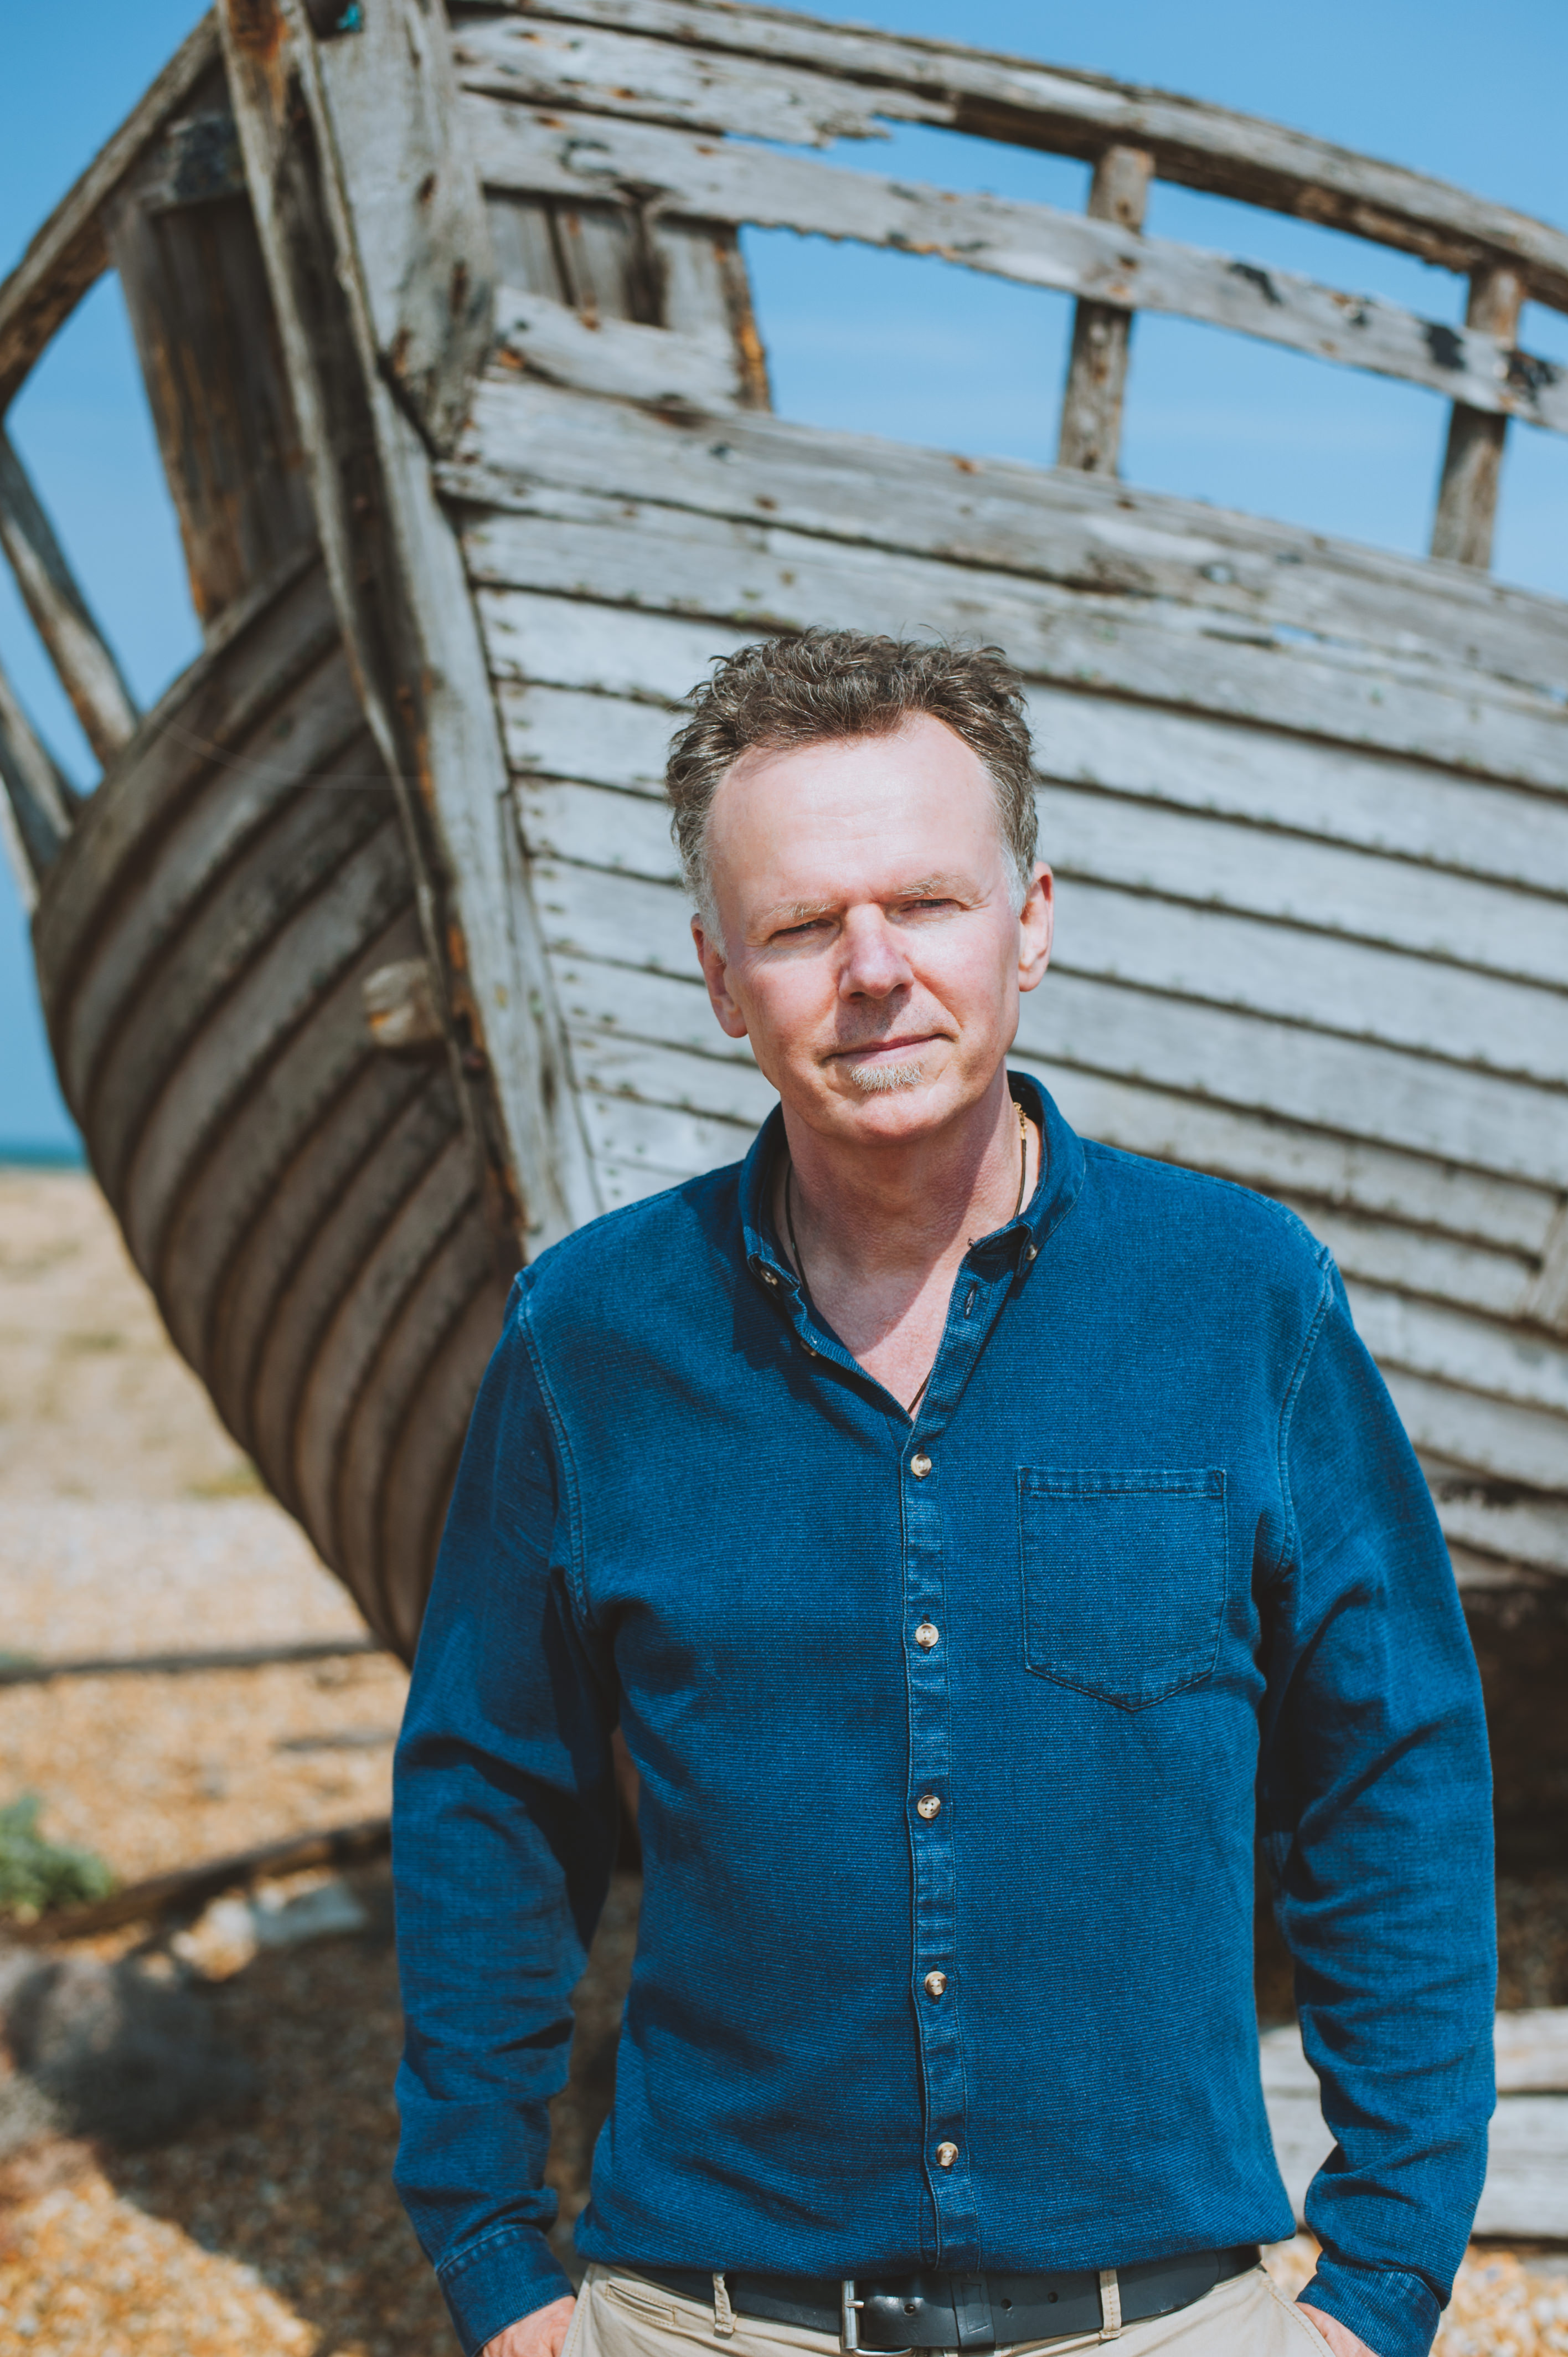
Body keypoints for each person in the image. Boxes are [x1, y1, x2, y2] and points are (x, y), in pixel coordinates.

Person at [391, 634, 1495, 2357]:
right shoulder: (589, 1335)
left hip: (1171, 2322)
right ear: (714, 974)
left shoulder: (1245, 1299)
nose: (874, 970)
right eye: (800, 925)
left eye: (927, 901)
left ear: (1033, 920)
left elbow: (1395, 1772)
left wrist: (1385, 2276)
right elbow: (488, 1792)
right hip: (704, 2319)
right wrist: (492, 2258)